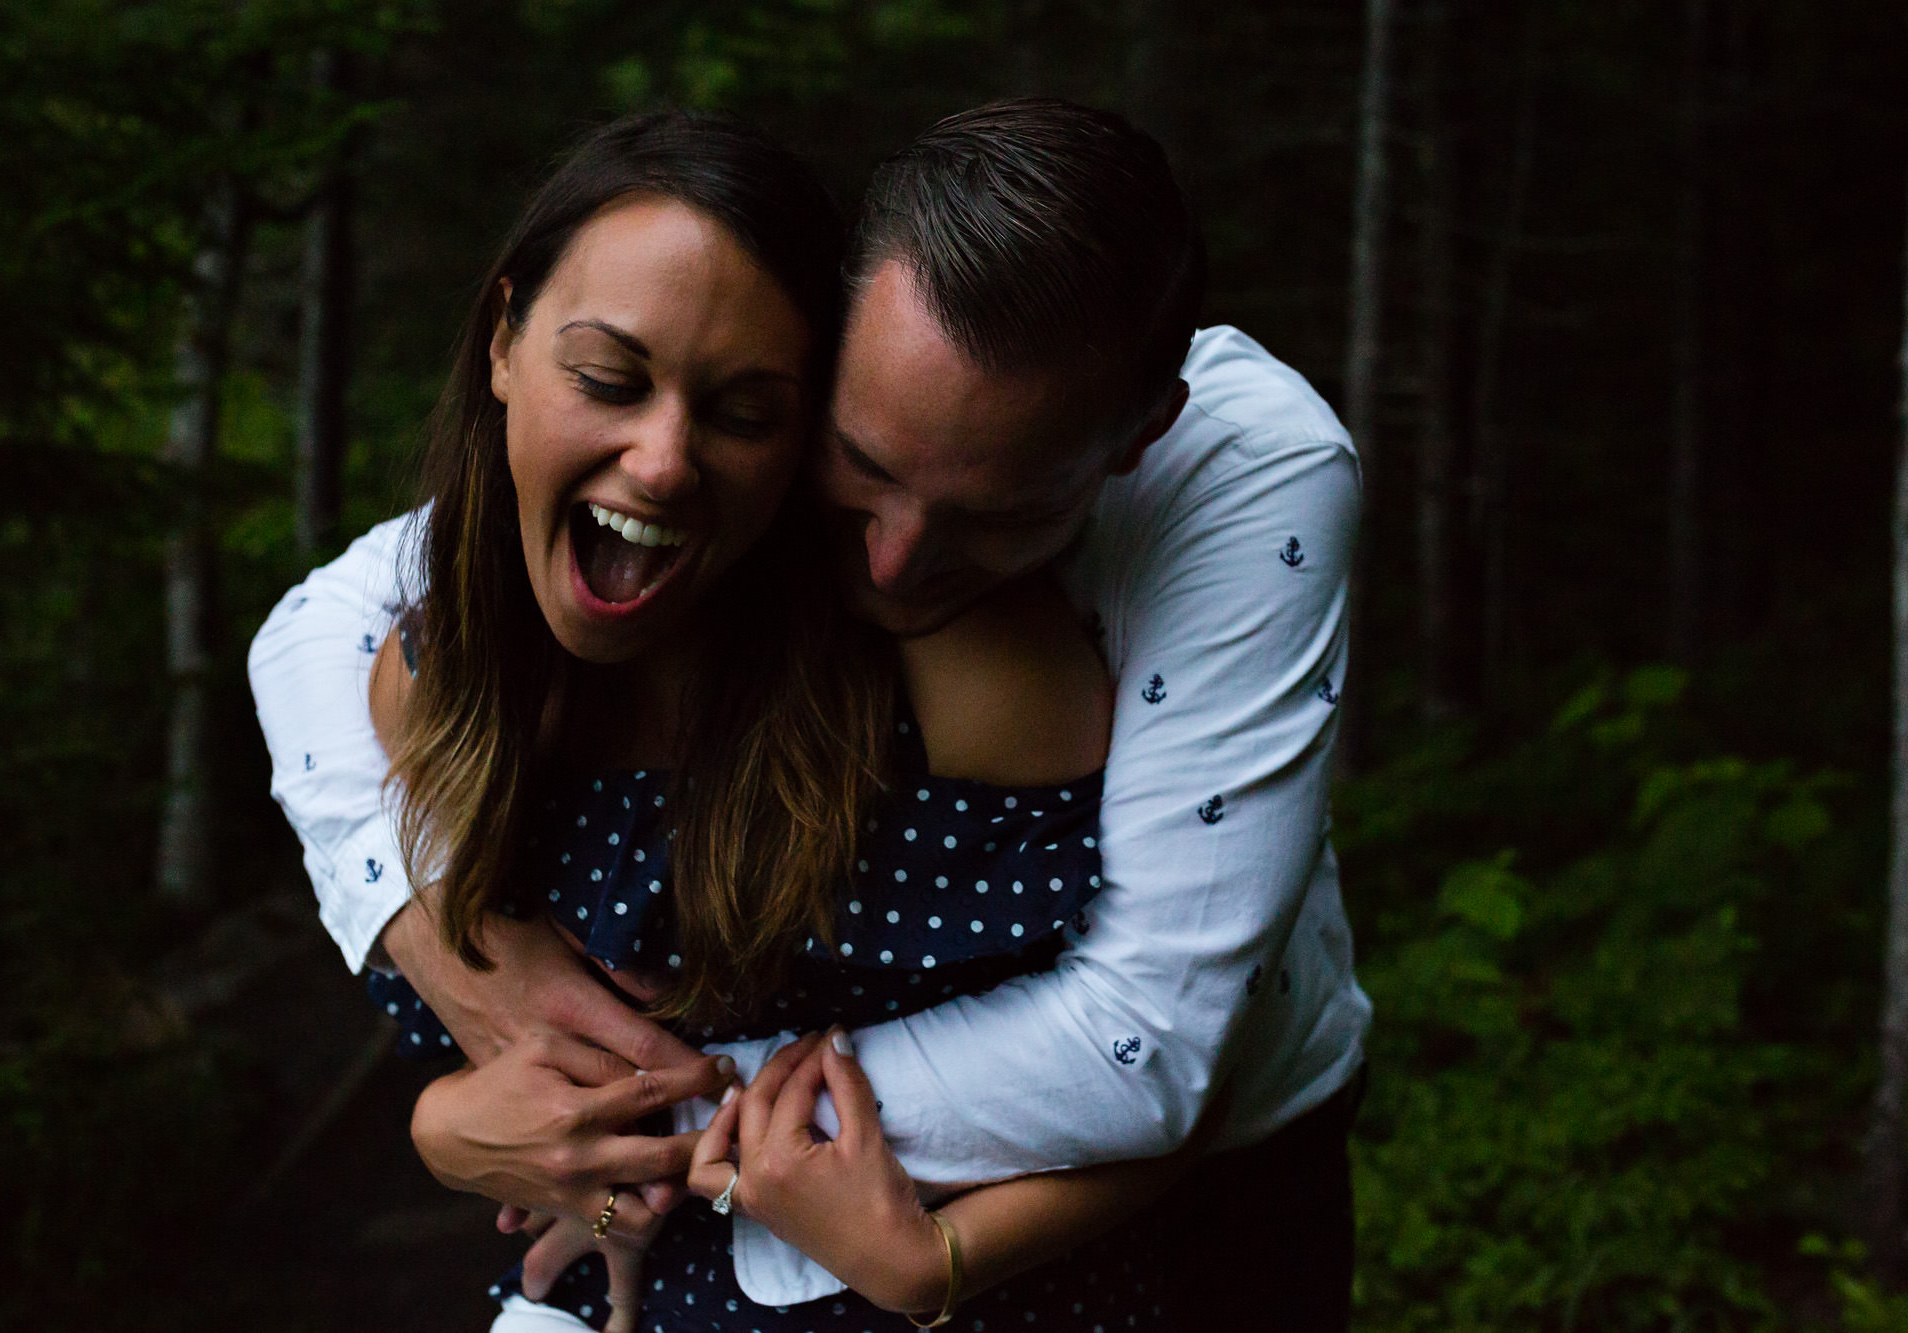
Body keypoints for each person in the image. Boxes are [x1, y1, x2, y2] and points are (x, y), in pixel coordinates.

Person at [250, 99, 1371, 1330]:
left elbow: (1158, 1060)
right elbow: (321, 624)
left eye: (995, 518)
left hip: (1204, 1166)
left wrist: (577, 1129)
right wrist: (411, 918)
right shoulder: (679, 466)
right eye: (864, 466)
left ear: (1133, 439)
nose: (894, 566)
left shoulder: (1242, 472)